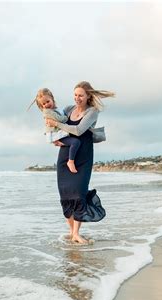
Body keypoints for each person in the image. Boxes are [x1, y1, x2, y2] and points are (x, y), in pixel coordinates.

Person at [45, 81, 115, 244]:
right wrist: (53, 136)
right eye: (75, 95)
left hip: (83, 156)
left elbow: (78, 130)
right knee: (65, 194)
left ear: (88, 96)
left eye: (80, 95)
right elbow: (54, 119)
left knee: (78, 193)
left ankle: (76, 233)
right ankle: (72, 232)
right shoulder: (69, 109)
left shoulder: (93, 112)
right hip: (65, 154)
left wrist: (58, 124)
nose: (77, 98)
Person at [31, 88, 81, 173]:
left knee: (75, 141)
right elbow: (61, 119)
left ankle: (67, 153)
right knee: (75, 142)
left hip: (60, 133)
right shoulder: (48, 112)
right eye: (43, 104)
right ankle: (71, 161)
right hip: (57, 135)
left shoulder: (55, 109)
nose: (46, 104)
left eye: (48, 101)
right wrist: (66, 117)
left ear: (52, 99)